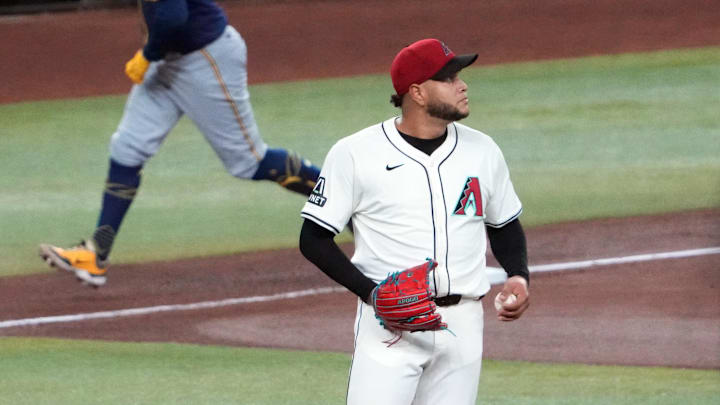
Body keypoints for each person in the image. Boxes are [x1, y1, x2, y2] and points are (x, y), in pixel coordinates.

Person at [299, 38, 530, 405]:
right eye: (450, 79)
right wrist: (371, 294)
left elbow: (503, 225)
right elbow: (313, 238)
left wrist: (518, 274)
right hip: (390, 328)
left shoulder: (483, 150)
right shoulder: (356, 153)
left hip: (463, 326)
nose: (462, 85)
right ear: (418, 93)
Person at [39, 0, 320, 287]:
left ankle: (344, 202)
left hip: (206, 58)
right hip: (167, 58)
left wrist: (148, 54)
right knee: (127, 148)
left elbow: (173, 16)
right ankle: (95, 254)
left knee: (250, 162)